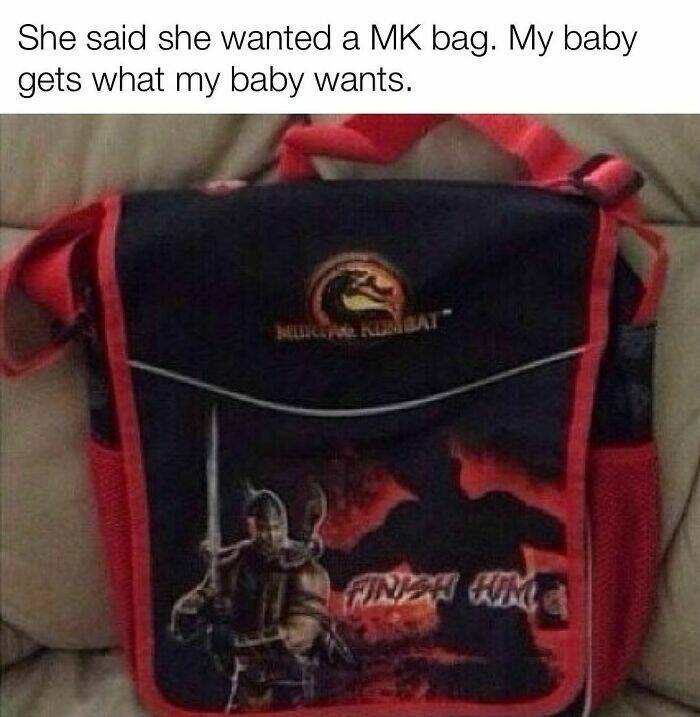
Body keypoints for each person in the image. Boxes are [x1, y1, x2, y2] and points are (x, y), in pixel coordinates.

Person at [171, 486, 349, 710]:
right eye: (264, 529)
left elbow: (302, 631)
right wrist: (201, 612)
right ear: (251, 527)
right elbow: (187, 617)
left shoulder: (306, 571)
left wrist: (238, 643)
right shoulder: (232, 564)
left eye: (277, 528)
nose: (272, 536)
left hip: (292, 679)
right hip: (248, 678)